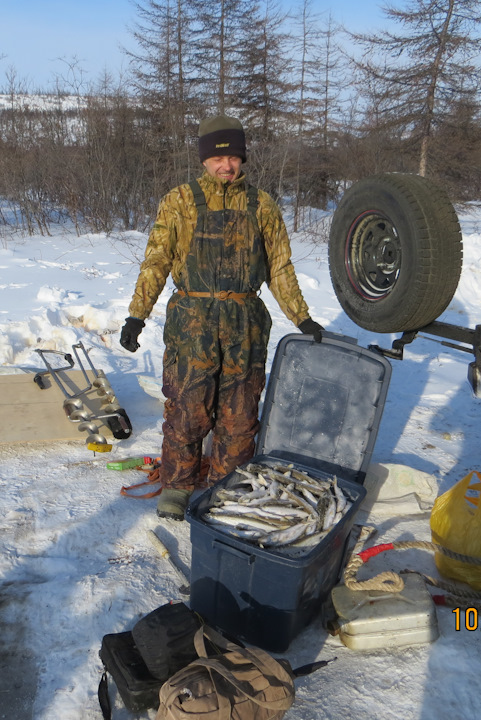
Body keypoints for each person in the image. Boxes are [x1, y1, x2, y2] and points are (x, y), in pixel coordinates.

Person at [120, 116, 324, 520]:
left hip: (244, 322)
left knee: (240, 412)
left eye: (233, 157)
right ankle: (178, 486)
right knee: (187, 407)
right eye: (218, 158)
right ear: (204, 160)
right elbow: (156, 261)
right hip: (192, 321)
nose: (226, 166)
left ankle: (225, 487)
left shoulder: (263, 205)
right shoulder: (179, 200)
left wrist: (303, 318)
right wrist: (136, 316)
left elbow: (280, 268)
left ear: (243, 158)